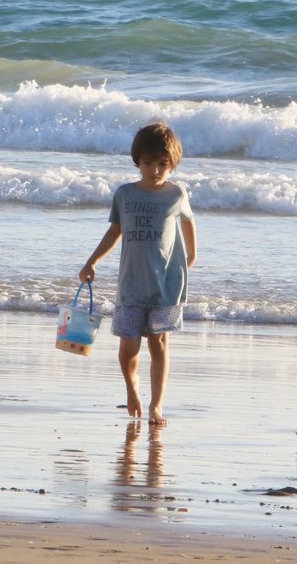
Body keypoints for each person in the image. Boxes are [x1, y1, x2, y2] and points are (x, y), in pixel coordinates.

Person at [79, 123, 197, 426]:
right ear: (137, 161)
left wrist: (192, 254)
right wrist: (92, 261)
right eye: (148, 163)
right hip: (131, 284)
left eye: (162, 164)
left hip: (166, 285)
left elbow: (188, 222)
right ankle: (133, 391)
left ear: (171, 164)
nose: (155, 170)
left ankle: (157, 405)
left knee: (159, 343)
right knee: (128, 346)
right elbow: (115, 231)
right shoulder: (125, 195)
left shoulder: (176, 194)